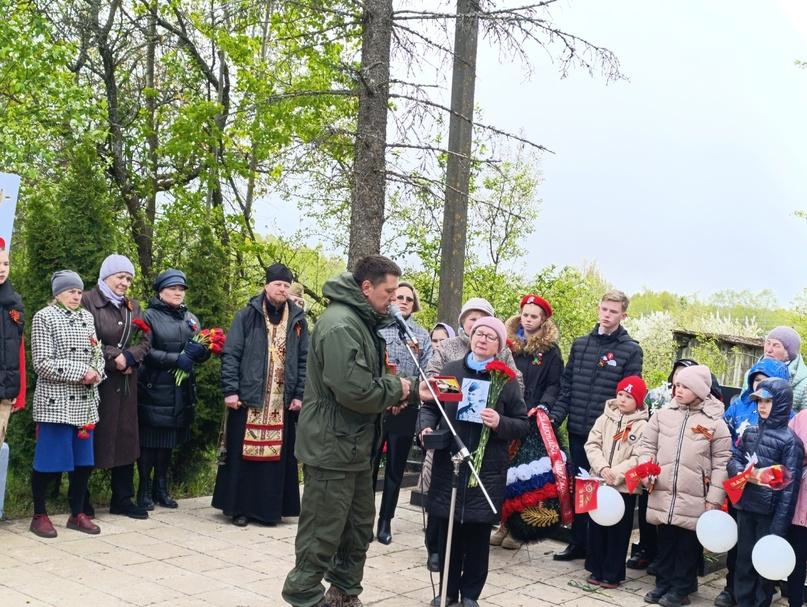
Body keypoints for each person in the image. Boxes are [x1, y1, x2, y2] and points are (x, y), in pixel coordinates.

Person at [282, 255, 412, 607]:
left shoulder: (364, 321)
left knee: (357, 529)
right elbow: (354, 391)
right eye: (388, 292)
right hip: (331, 446)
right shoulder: (341, 325)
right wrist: (397, 390)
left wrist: (391, 389)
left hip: (355, 447)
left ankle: (343, 593)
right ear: (366, 287)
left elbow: (370, 380)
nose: (393, 300)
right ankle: (304, 596)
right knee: (321, 532)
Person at [418, 316, 529, 607]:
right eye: (479, 333)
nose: (482, 339)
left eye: (490, 337)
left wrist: (499, 422)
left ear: (499, 346)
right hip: (450, 464)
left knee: (478, 539)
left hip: (486, 470)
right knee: (449, 536)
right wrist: (425, 428)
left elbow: (521, 424)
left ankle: (470, 595)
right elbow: (433, 407)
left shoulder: (504, 380)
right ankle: (446, 592)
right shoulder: (453, 371)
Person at [551, 290, 643, 561]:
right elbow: (567, 387)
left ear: (623, 315)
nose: (607, 315)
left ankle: (597, 548)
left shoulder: (630, 349)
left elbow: (630, 397)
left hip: (609, 437)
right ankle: (578, 542)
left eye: (613, 311)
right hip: (579, 428)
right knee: (581, 487)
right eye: (604, 309)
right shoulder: (581, 345)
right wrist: (555, 418)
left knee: (605, 490)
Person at [213, 263, 308, 527]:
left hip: (281, 400)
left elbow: (304, 360)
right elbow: (231, 353)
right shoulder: (247, 316)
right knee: (244, 455)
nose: (282, 290)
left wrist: (299, 394)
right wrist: (230, 389)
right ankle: (240, 509)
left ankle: (269, 511)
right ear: (267, 285)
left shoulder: (298, 321)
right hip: (249, 397)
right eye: (278, 284)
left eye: (286, 286)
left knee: (275, 458)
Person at [640, 365, 731, 607]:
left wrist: (714, 497)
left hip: (695, 495)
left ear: (699, 390)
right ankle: (663, 583)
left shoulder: (715, 422)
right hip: (664, 490)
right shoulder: (662, 415)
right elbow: (647, 446)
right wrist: (646, 471)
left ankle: (681, 589)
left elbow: (722, 462)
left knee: (687, 544)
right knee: (666, 540)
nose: (677, 390)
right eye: (676, 385)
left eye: (684, 386)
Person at [29, 271, 104, 537]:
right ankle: (39, 514)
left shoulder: (86, 317)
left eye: (79, 291)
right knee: (48, 461)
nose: (76, 296)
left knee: (84, 462)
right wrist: (80, 372)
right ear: (57, 293)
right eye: (70, 291)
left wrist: (96, 371)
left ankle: (77, 513)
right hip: (56, 402)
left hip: (85, 402)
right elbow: (42, 363)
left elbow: (97, 351)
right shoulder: (44, 317)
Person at [491, 294, 563, 550]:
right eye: (525, 314)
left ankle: (517, 530)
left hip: (532, 418)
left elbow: (555, 384)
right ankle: (500, 523)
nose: (529, 320)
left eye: (534, 316)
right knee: (502, 470)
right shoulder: (506, 344)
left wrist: (543, 407)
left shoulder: (551, 351)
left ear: (543, 320)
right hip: (507, 414)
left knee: (523, 475)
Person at [82, 254, 152, 519]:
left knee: (125, 437)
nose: (124, 283)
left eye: (129, 279)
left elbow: (147, 339)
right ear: (106, 276)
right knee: (92, 437)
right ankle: (81, 499)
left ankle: (122, 498)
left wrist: (132, 357)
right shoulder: (89, 301)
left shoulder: (132, 306)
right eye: (120, 277)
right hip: (97, 383)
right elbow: (88, 339)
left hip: (126, 383)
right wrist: (116, 358)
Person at [136, 269, 209, 510]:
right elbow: (144, 351)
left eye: (181, 289)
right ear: (160, 291)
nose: (178, 293)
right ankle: (144, 490)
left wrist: (202, 352)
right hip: (154, 388)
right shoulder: (148, 316)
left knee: (167, 443)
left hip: (180, 391)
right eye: (172, 288)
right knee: (149, 444)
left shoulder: (190, 318)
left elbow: (201, 346)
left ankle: (161, 488)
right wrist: (174, 359)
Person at [728, 378, 803, 607]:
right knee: (744, 562)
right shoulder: (749, 432)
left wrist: (780, 527)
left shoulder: (791, 442)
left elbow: (790, 490)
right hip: (745, 507)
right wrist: (742, 472)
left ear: (781, 403)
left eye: (768, 401)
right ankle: (742, 602)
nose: (762, 406)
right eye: (759, 400)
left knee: (764, 568)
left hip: (769, 515)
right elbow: (735, 458)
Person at [373, 281, 432, 544]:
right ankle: (362, 520)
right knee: (369, 466)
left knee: (396, 470)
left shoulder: (421, 336)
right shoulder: (378, 329)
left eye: (409, 298)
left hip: (406, 409)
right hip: (376, 407)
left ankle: (385, 521)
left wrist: (405, 396)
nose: (404, 301)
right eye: (399, 297)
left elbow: (427, 373)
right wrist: (386, 395)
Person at [584, 376, 649, 588]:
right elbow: (592, 444)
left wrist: (616, 473)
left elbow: (639, 456)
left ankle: (612, 573)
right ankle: (596, 567)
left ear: (638, 401)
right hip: (600, 482)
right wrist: (602, 468)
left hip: (624, 488)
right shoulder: (605, 419)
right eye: (620, 394)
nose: (622, 399)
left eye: (628, 397)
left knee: (618, 532)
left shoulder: (642, 426)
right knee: (596, 527)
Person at [0, 243, 26, 446]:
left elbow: (18, 350)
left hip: (4, 393)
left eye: (6, 263)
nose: (2, 269)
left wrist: (20, 391)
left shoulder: (15, 303)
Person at [787, 408, 807, 607]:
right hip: (799, 505)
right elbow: (787, 449)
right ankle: (795, 601)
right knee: (797, 559)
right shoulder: (801, 417)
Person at [763, 326, 807, 411]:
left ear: (789, 352)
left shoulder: (804, 383)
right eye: (768, 343)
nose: (769, 350)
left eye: (776, 346)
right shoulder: (752, 373)